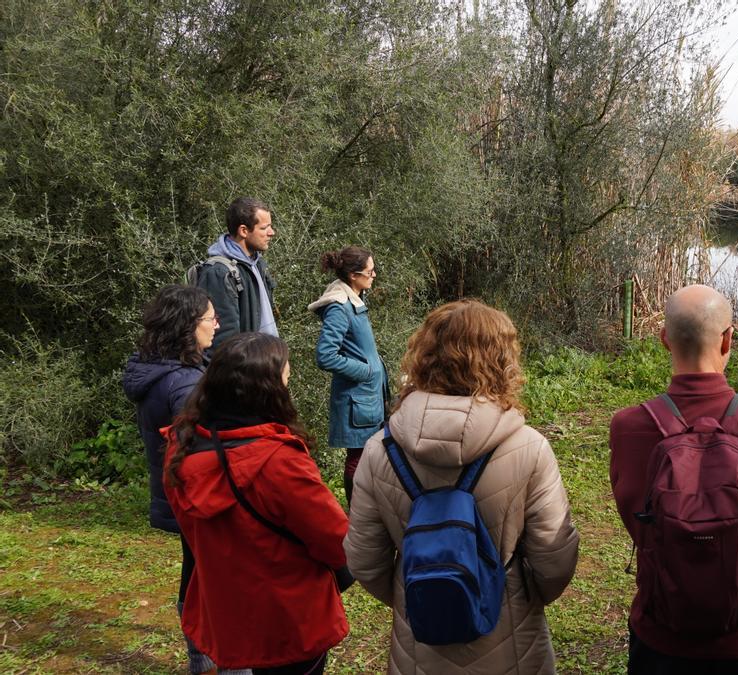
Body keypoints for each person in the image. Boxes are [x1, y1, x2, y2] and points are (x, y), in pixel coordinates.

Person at [344, 299, 579, 673]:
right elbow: (555, 557)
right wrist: (515, 594)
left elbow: (363, 560)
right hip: (512, 641)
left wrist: (420, 592)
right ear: (502, 360)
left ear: (424, 355)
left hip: (419, 640)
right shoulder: (528, 447)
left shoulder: (379, 450)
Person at [609, 285, 738, 674]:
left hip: (662, 633)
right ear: (729, 339)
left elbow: (635, 519)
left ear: (664, 339)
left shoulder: (628, 427)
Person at [163, 333, 348, 674]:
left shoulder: (182, 446)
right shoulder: (278, 461)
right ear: (269, 391)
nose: (289, 385)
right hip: (289, 618)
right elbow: (337, 542)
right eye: (286, 378)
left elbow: (192, 529)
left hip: (227, 609)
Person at [122, 285, 224, 675]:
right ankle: (207, 659)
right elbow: (197, 454)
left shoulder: (160, 367)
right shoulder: (183, 383)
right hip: (196, 497)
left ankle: (204, 657)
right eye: (209, 318)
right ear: (186, 327)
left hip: (178, 496)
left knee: (194, 570)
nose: (216, 324)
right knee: (203, 577)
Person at [308, 246, 388, 506]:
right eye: (370, 271)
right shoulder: (340, 307)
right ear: (354, 275)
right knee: (358, 458)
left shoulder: (355, 300)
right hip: (358, 400)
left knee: (369, 455)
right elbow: (325, 355)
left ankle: (365, 514)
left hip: (366, 397)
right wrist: (365, 371)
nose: (374, 275)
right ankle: (356, 518)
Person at [194, 197, 278, 348]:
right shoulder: (219, 273)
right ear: (244, 231)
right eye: (265, 228)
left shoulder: (258, 264)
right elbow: (223, 341)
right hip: (244, 368)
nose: (272, 233)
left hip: (266, 363)